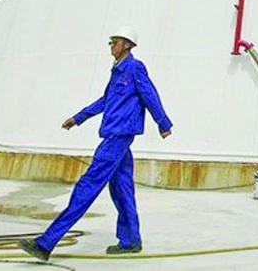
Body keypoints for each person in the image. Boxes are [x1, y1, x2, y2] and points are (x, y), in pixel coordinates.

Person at [19, 26, 173, 261]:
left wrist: (163, 123)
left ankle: (46, 243)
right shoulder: (117, 71)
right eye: (111, 42)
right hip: (115, 135)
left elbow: (149, 94)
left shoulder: (134, 67)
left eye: (115, 41)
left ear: (127, 45)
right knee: (122, 190)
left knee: (87, 186)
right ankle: (131, 240)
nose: (111, 45)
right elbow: (105, 100)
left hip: (118, 136)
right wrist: (78, 118)